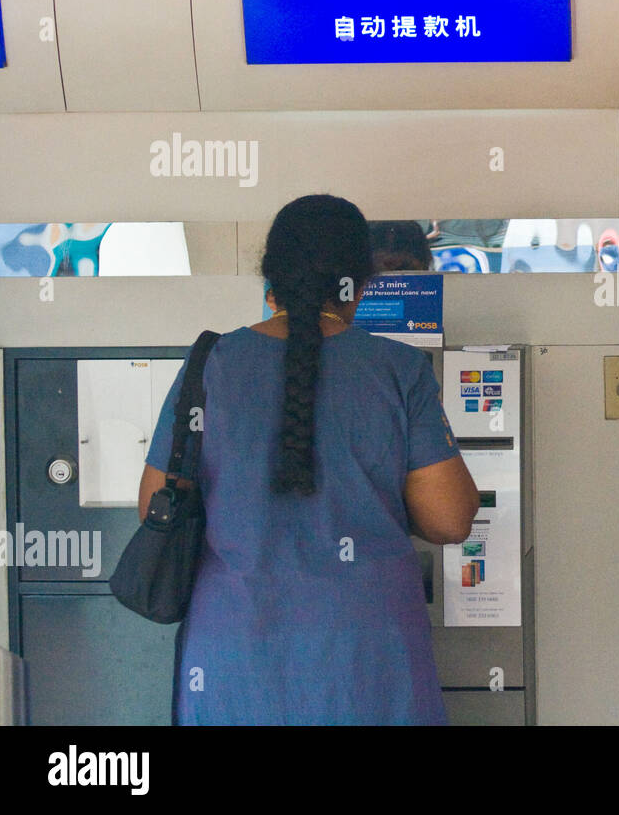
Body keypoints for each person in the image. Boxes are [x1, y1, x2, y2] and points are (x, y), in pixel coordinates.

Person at [137, 194, 479, 724]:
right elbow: (450, 518)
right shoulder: (399, 370)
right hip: (367, 658)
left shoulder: (209, 365)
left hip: (233, 656)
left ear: (270, 279)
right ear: (361, 284)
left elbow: (155, 507)